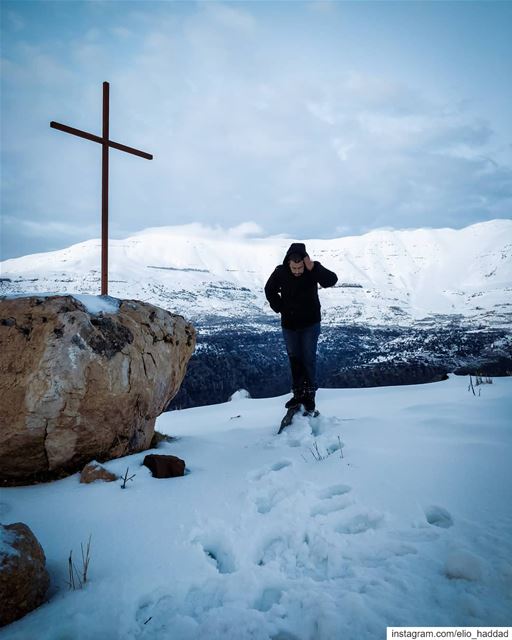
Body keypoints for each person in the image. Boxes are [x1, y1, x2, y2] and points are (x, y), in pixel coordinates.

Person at [264, 242, 338, 413]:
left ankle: (309, 395)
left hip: (310, 324)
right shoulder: (280, 272)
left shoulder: (312, 270)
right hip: (289, 325)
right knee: (295, 359)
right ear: (288, 263)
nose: (297, 271)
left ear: (304, 263)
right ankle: (298, 394)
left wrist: (314, 269)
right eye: (294, 268)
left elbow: (331, 280)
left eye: (300, 268)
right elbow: (269, 290)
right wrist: (280, 307)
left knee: (308, 358)